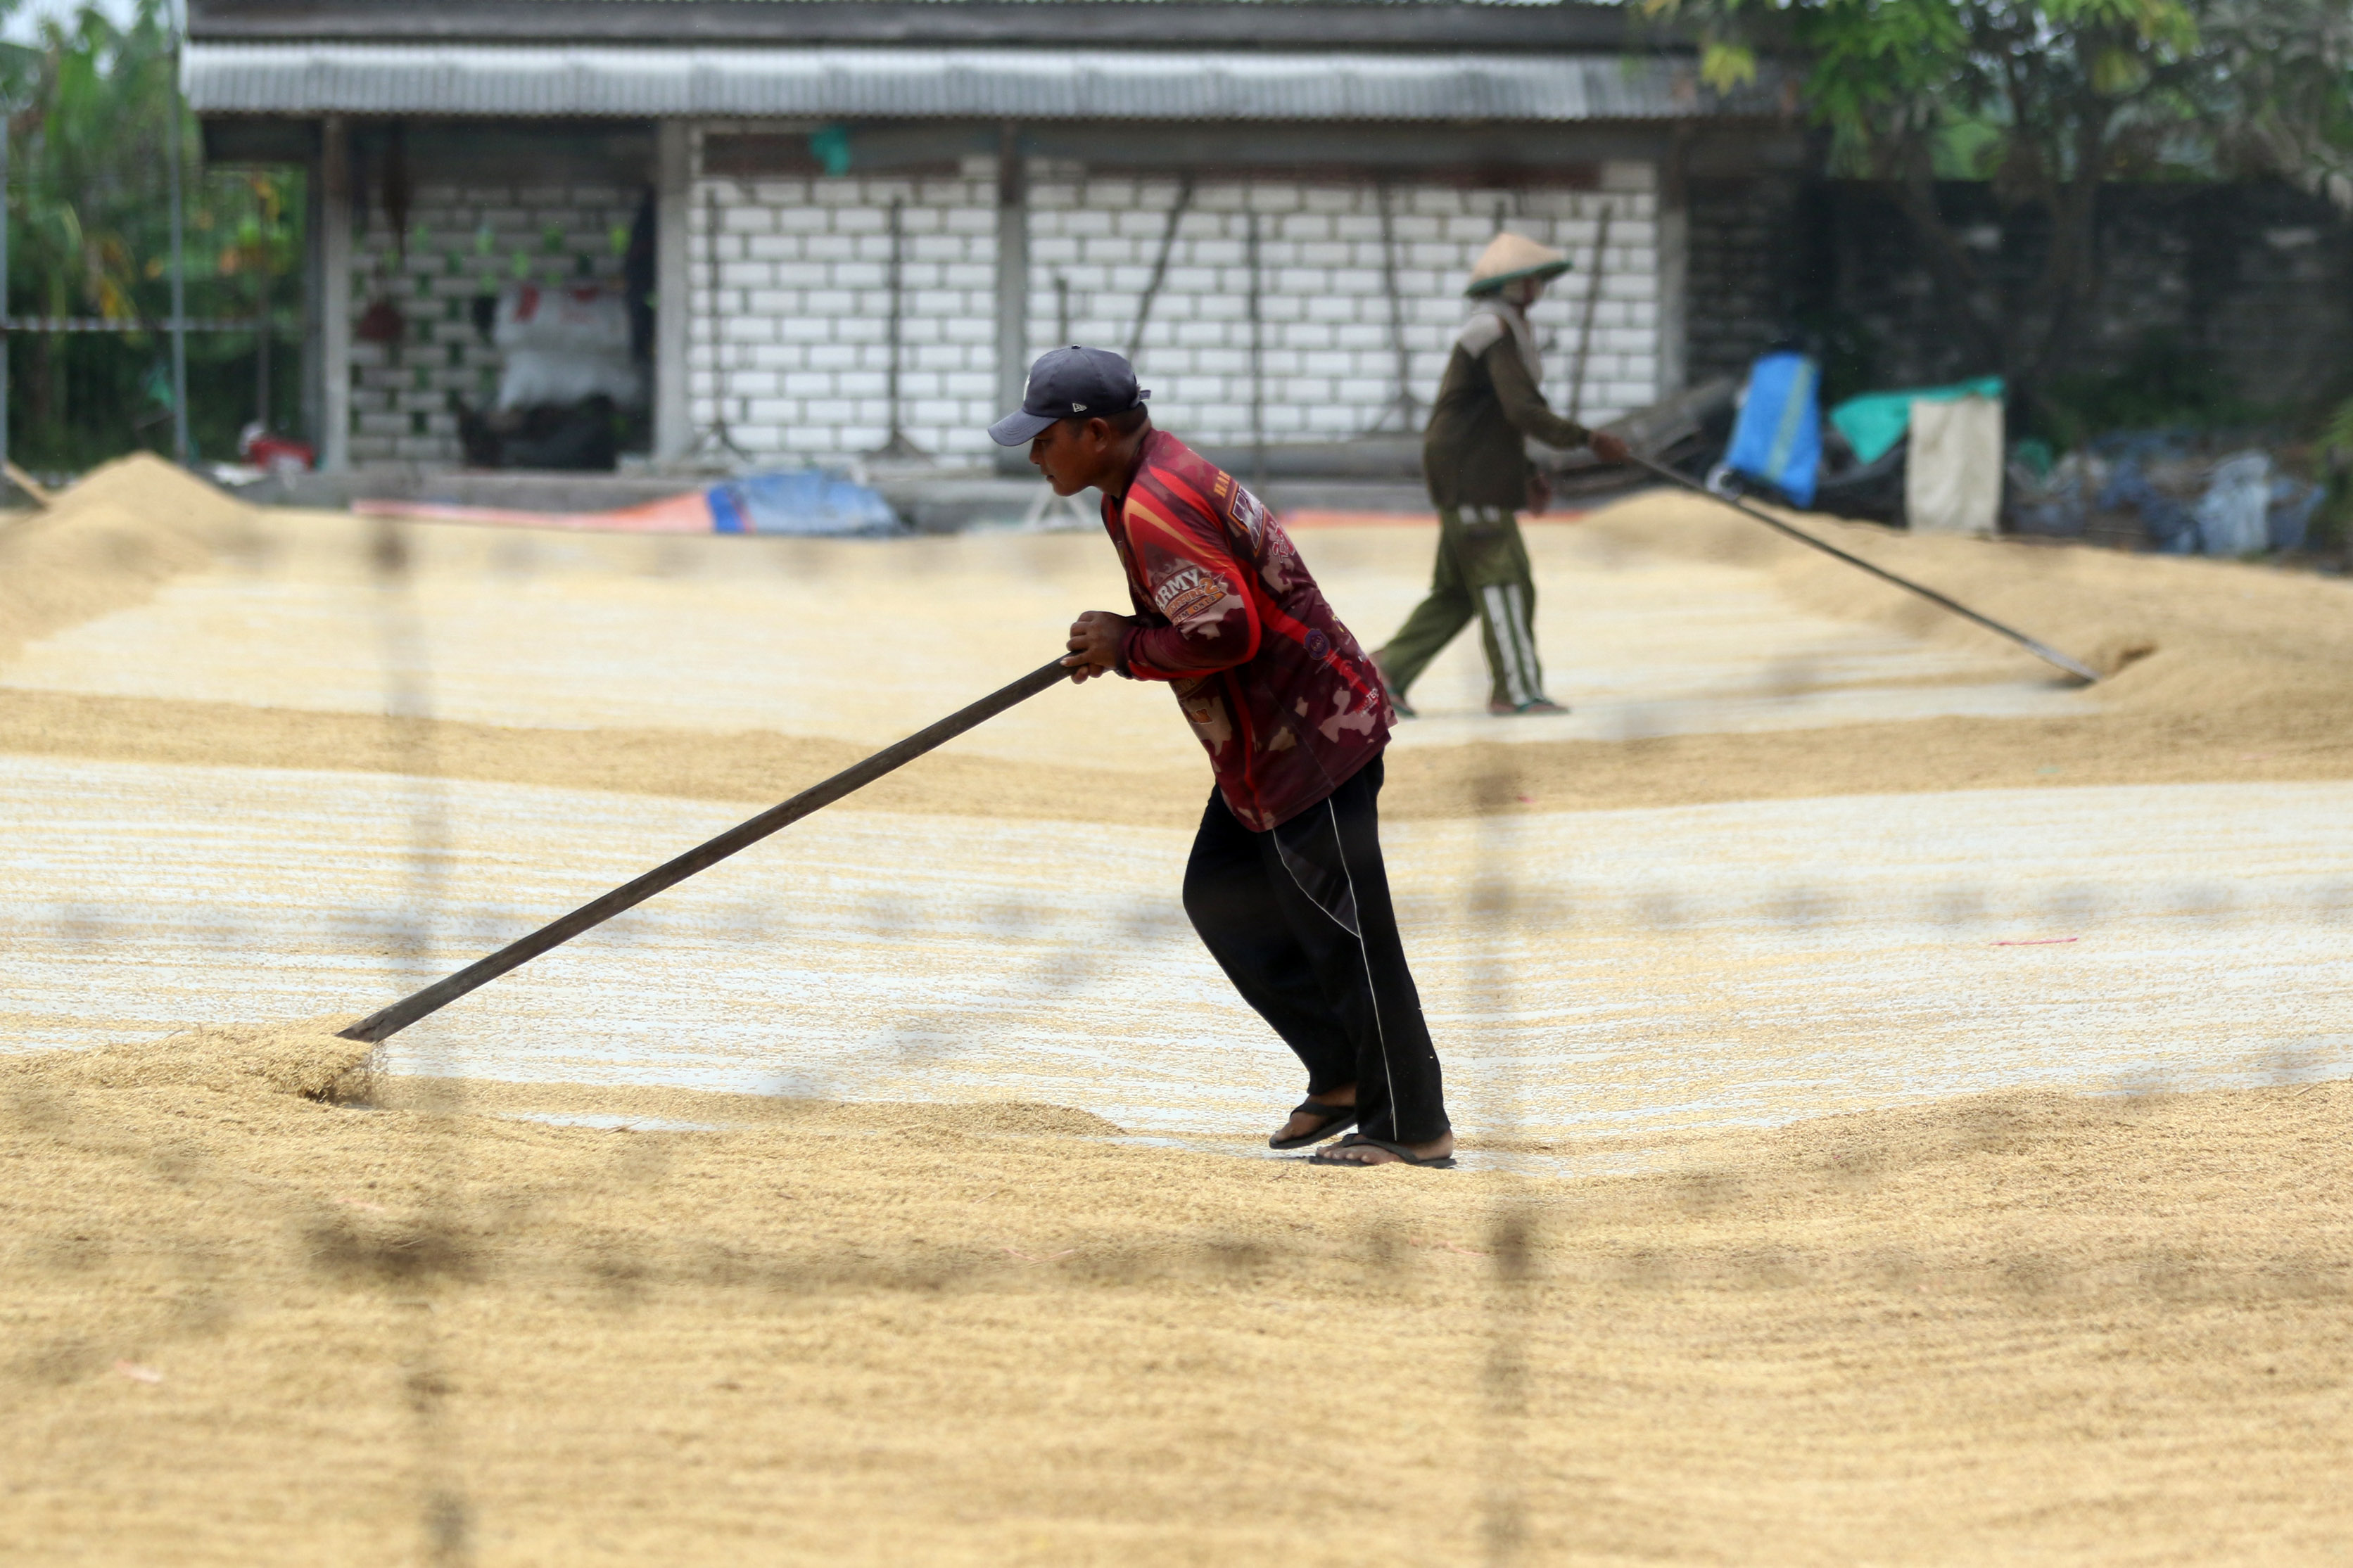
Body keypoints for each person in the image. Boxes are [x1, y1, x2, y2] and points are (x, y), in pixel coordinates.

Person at [989, 345, 1454, 1168]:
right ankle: (1342, 1074)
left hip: (1307, 739)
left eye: (1043, 439)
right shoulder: (1137, 482)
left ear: (1093, 433)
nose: (1033, 455)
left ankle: (1409, 1126)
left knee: (1347, 932)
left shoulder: (1153, 506)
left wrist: (1126, 644)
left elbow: (1225, 632)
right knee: (1221, 893)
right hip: (1262, 745)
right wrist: (1127, 640)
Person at [1373, 231, 1630, 718]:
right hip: (1470, 478)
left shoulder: (1506, 328)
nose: (1538, 288)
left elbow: (1495, 420)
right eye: (1531, 279)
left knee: (1457, 592)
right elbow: (1522, 409)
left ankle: (1385, 673)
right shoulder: (1493, 330)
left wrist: (1528, 470)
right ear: (1513, 285)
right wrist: (1590, 440)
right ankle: (1517, 689)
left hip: (1474, 471)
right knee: (1504, 581)